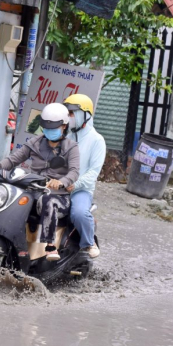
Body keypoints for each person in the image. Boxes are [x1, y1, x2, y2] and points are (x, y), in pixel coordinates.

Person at [0, 103, 80, 260]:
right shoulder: (35, 143)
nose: (49, 130)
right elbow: (13, 159)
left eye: (53, 126)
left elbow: (74, 171)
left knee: (49, 201)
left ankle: (50, 246)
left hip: (58, 196)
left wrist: (61, 182)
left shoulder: (71, 147)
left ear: (64, 125)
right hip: (34, 190)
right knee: (12, 198)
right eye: (46, 126)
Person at [64, 94, 106, 258]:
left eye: (73, 113)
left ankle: (89, 243)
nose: (69, 117)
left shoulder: (97, 140)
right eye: (68, 113)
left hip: (80, 190)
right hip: (59, 185)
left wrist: (75, 184)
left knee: (79, 213)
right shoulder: (64, 136)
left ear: (85, 115)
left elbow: (93, 173)